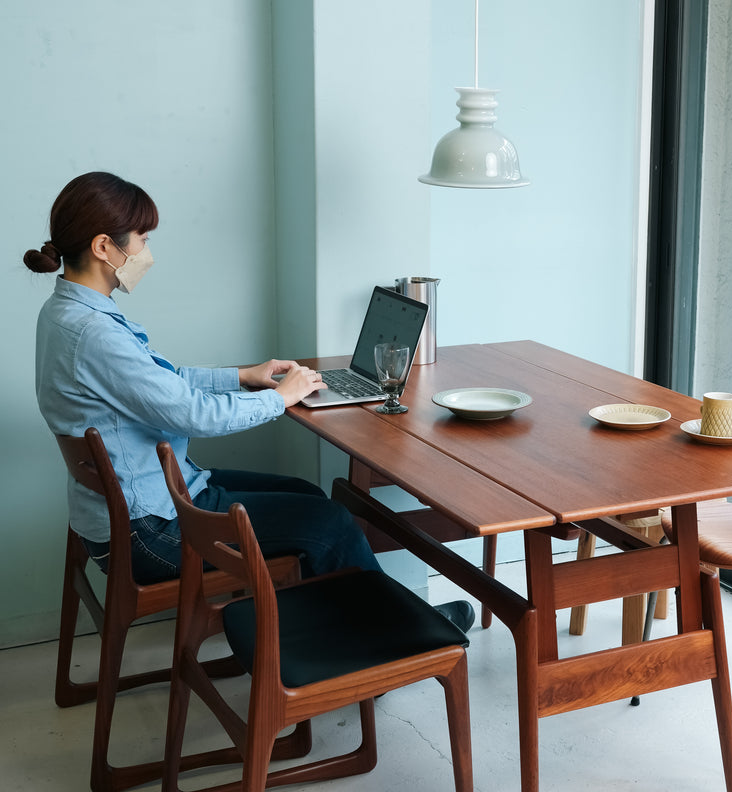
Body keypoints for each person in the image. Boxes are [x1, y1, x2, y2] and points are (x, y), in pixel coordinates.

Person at [24, 171, 474, 630]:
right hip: (153, 532)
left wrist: (243, 376)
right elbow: (193, 414)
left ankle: (332, 626)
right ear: (104, 247)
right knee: (330, 522)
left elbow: (167, 381)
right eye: (141, 238)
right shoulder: (95, 333)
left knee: (307, 495)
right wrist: (282, 398)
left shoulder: (66, 312)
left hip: (136, 512)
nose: (146, 253)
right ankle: (399, 634)